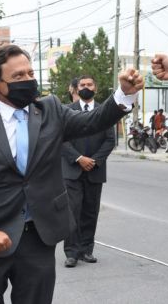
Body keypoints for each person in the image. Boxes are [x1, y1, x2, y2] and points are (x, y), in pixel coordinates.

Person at [0, 44, 143, 304]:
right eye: (18, 77)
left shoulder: (50, 110)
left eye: (30, 73)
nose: (28, 80)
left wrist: (124, 95)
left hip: (38, 235)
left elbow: (93, 121)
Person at [62, 75, 115, 268]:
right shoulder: (67, 111)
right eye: (82, 85)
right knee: (72, 212)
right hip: (71, 169)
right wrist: (78, 158)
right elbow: (60, 139)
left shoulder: (104, 112)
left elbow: (110, 140)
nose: (86, 87)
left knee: (90, 212)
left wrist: (95, 160)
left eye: (89, 84)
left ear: (96, 88)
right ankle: (71, 253)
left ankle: (86, 250)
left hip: (95, 169)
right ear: (76, 88)